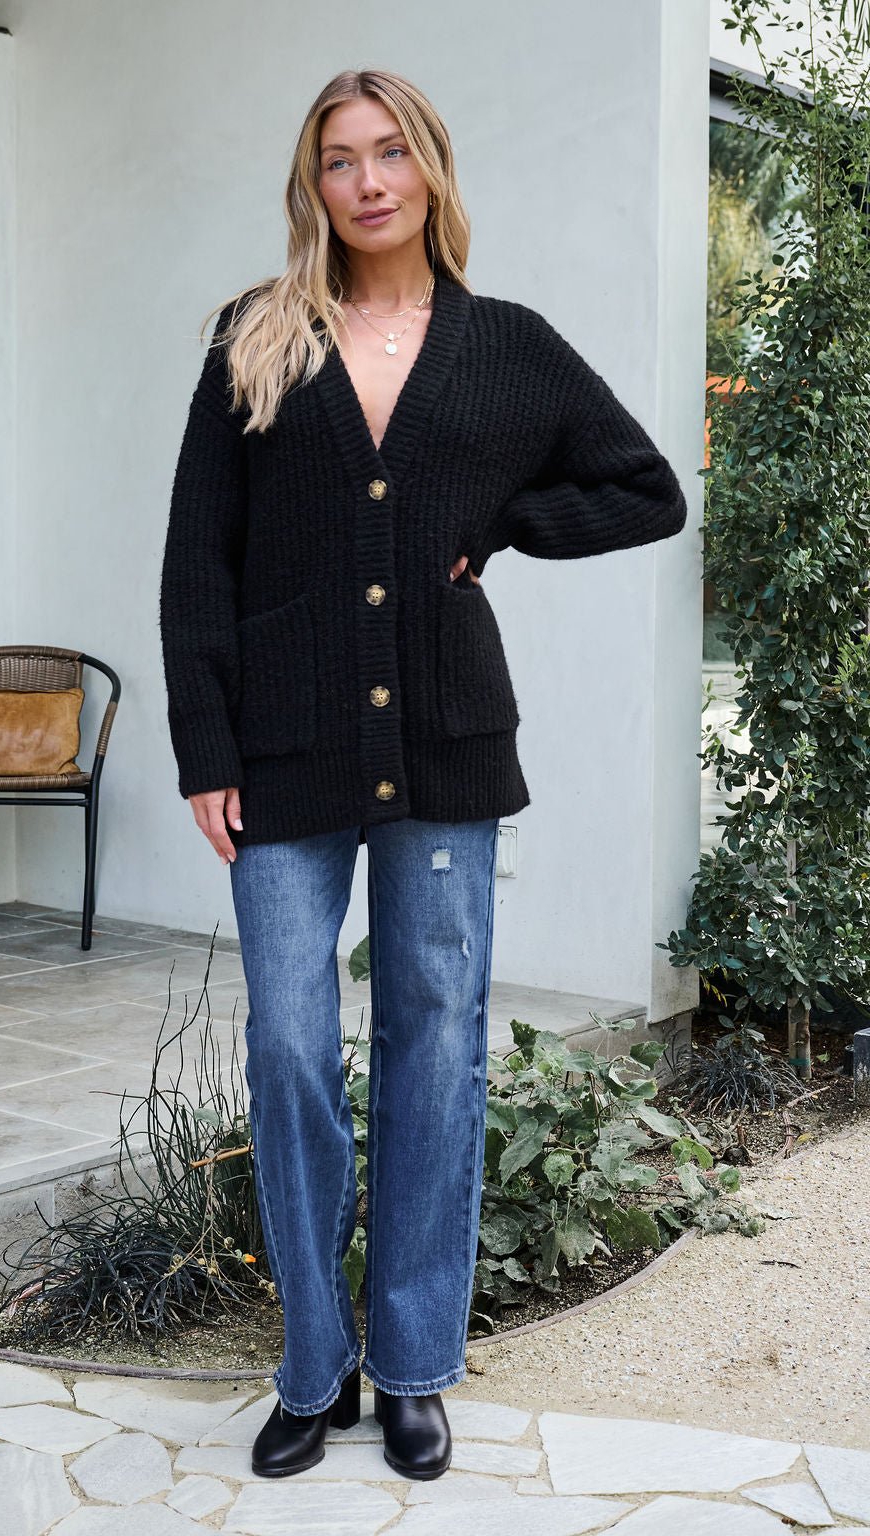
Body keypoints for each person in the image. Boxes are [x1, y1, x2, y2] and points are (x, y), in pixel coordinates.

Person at [159, 67, 687, 1481]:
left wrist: (503, 522)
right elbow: (197, 554)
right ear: (314, 186)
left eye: (391, 152)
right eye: (341, 159)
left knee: (436, 1044)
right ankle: (312, 1365)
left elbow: (648, 489)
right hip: (282, 747)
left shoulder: (505, 348)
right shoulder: (258, 337)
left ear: (432, 169)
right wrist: (206, 746)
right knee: (289, 1046)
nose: (369, 181)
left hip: (447, 742)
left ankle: (410, 1366)